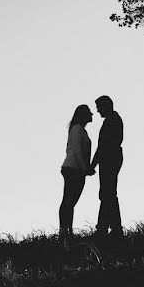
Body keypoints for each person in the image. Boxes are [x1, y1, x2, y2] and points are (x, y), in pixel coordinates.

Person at [59, 104, 95, 244]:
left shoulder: (79, 130)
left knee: (70, 202)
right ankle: (64, 232)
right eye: (89, 113)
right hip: (73, 169)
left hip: (75, 169)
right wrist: (84, 168)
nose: (92, 114)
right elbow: (77, 151)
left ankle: (67, 232)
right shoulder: (77, 130)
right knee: (68, 201)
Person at [90, 95, 123, 239]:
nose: (97, 111)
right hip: (111, 159)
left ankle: (109, 228)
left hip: (110, 159)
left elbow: (102, 146)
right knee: (107, 194)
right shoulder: (113, 120)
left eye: (98, 107)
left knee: (107, 193)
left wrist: (93, 164)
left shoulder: (112, 121)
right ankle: (108, 227)